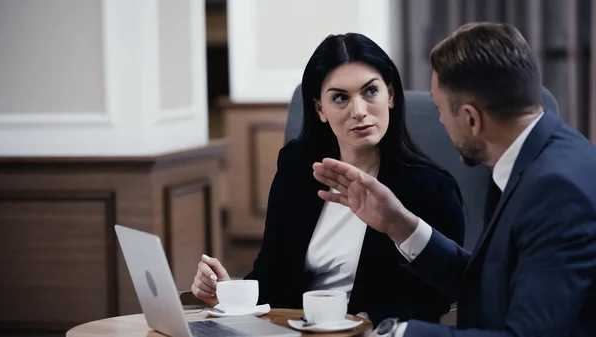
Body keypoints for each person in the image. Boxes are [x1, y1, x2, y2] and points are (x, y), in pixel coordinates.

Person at [312, 22, 596, 337]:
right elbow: (488, 282)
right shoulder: (545, 153)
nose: (440, 120)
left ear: (472, 119)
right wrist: (399, 224)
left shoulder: (556, 190)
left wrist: (396, 334)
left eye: (440, 108)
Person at [192, 32, 466, 326]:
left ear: (391, 95)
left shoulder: (432, 188)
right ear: (320, 109)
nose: (359, 111)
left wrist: (368, 320)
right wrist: (229, 291)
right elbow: (271, 274)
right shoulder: (297, 167)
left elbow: (435, 296)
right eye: (340, 98)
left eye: (370, 92)